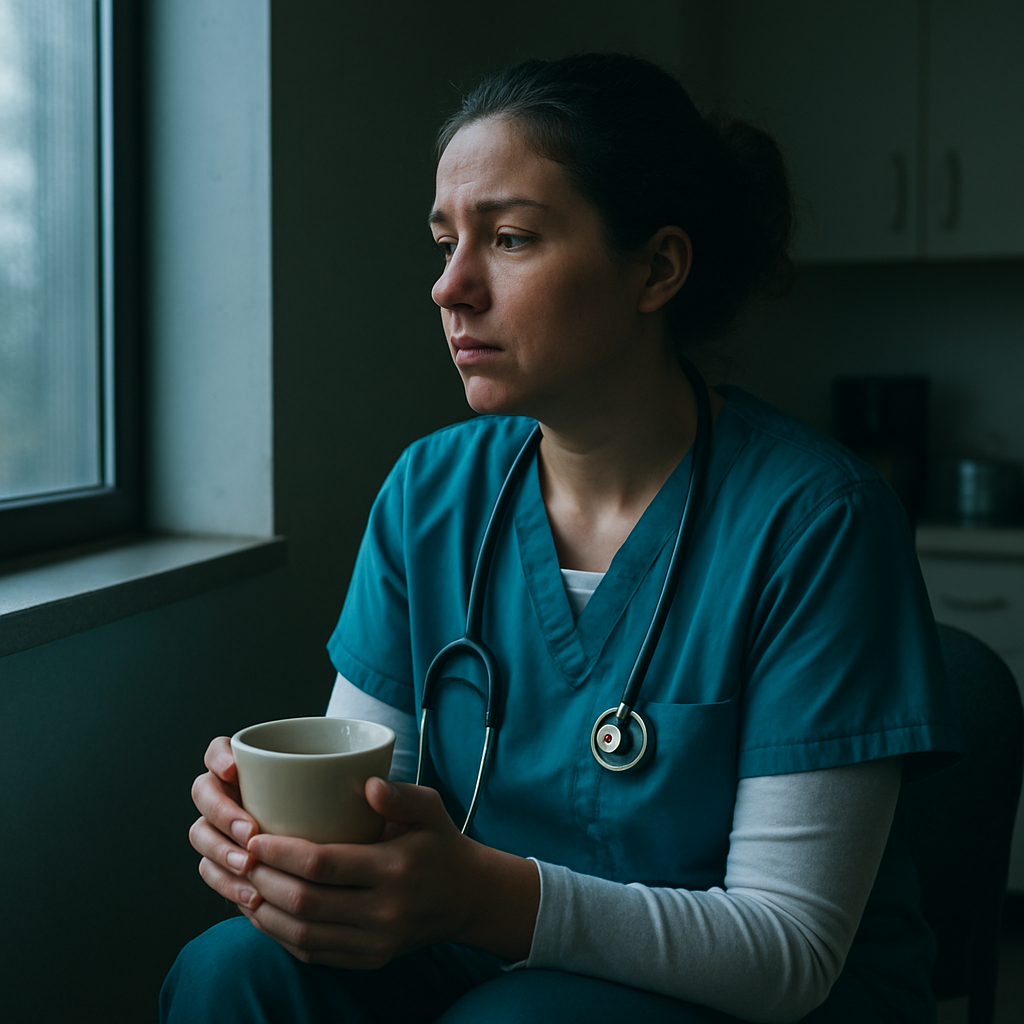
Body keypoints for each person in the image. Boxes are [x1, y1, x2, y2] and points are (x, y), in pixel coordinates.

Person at [161, 53, 962, 1024]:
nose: (449, 288)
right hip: (486, 960)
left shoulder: (817, 522)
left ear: (657, 268)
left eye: (507, 238)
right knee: (232, 974)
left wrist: (479, 897)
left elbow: (785, 952)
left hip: (750, 996)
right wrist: (279, 848)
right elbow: (376, 812)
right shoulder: (431, 493)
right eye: (443, 240)